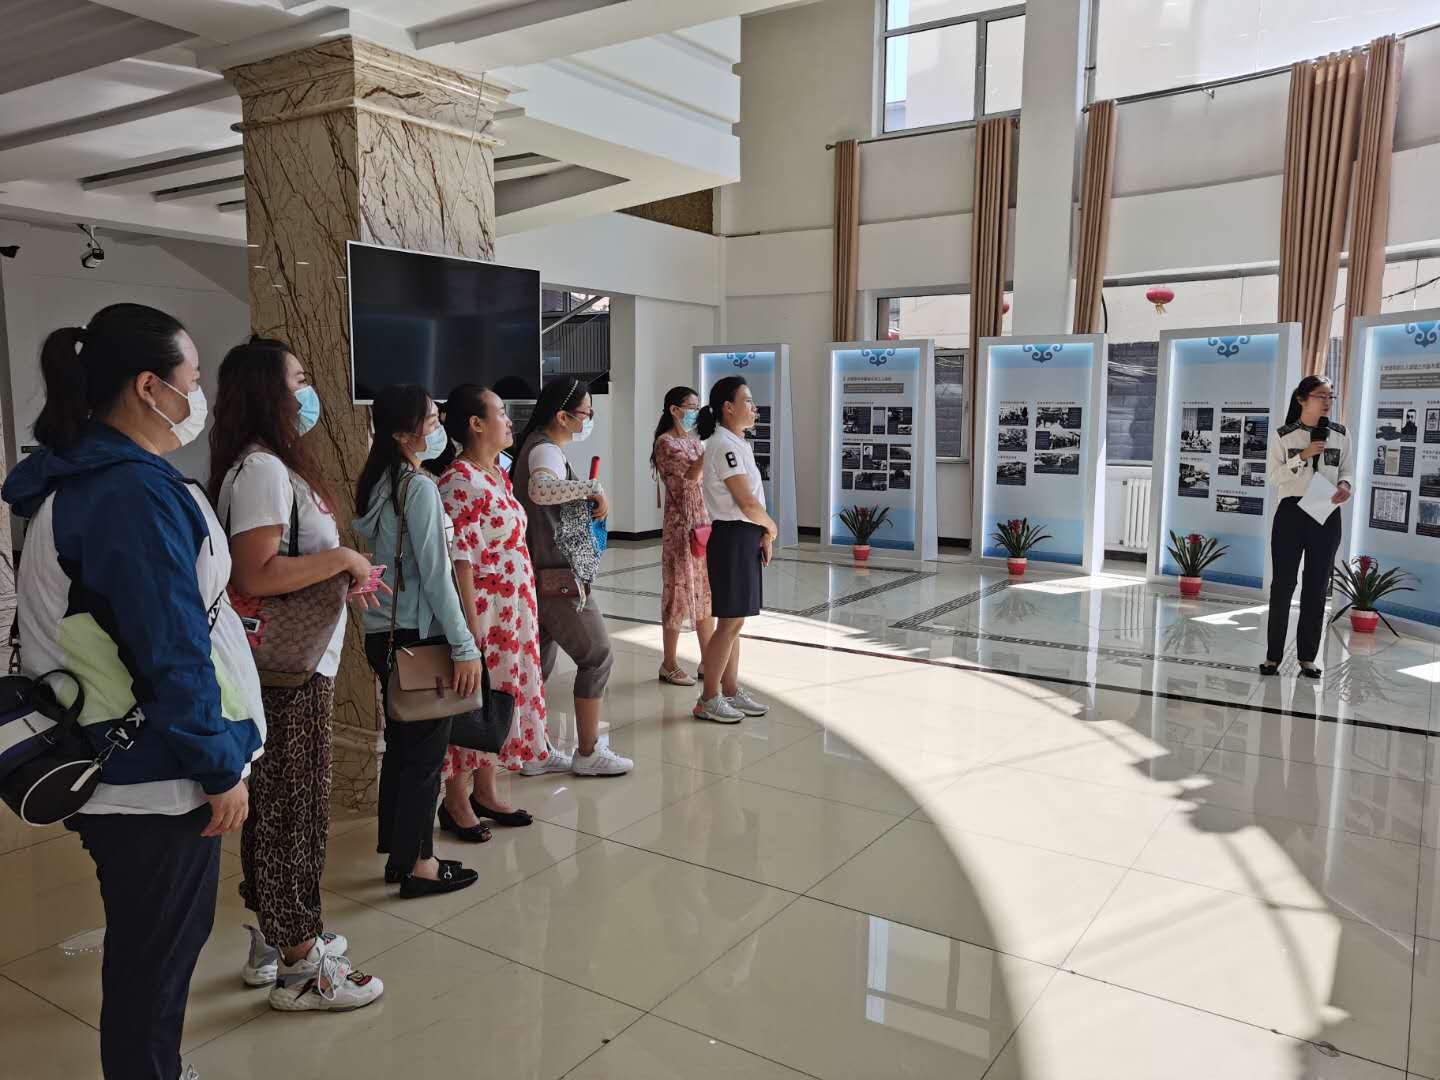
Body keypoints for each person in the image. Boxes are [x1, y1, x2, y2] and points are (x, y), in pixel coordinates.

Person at [2, 304, 264, 1080]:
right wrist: (218, 764)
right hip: (154, 774)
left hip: (140, 761)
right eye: (191, 379)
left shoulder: (103, 479)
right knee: (155, 963)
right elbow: (170, 651)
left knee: (153, 952)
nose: (197, 395)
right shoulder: (127, 494)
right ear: (150, 387)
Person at [209, 336, 384, 1011]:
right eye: (298, 379)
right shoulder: (261, 469)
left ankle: (276, 936)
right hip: (287, 671)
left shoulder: (268, 465)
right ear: (267, 391)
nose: (308, 391)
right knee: (292, 811)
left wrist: (344, 576)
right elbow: (256, 572)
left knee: (282, 807)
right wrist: (342, 559)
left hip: (299, 662)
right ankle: (301, 966)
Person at [354, 385, 486, 895]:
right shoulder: (418, 488)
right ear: (402, 433)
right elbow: (437, 577)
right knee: (424, 758)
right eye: (430, 421)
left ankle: (400, 854)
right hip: (421, 639)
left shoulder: (377, 485)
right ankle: (419, 866)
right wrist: (465, 646)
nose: (438, 428)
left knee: (403, 749)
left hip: (383, 635)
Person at [427, 384, 539, 833]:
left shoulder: (495, 472)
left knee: (499, 697)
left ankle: (487, 790)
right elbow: (461, 558)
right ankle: (456, 800)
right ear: (476, 423)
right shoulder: (458, 480)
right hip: (486, 611)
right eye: (500, 413)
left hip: (512, 607)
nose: (509, 420)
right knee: (473, 699)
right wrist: (470, 628)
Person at [510, 376, 633, 776]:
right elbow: (542, 489)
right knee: (597, 656)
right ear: (563, 416)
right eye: (586, 413)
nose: (589, 420)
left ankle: (532, 750)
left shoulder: (537, 447)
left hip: (538, 576)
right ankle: (589, 751)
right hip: (557, 578)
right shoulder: (545, 450)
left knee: (537, 667)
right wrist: (590, 488)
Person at [693, 376, 777, 723]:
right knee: (728, 622)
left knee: (735, 620)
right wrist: (771, 528)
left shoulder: (737, 443)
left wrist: (762, 532)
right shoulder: (722, 445)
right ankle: (708, 698)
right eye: (748, 401)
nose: (754, 408)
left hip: (744, 535)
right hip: (732, 537)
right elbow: (746, 502)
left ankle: (729, 690)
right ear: (728, 407)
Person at [1262, 374, 1354, 678]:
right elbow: (1274, 478)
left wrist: (1345, 485)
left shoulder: (1340, 434)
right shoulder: (1284, 435)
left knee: (1316, 586)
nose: (1327, 402)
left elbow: (1347, 470)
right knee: (1283, 584)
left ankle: (1307, 658)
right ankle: (1273, 656)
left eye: (1330, 397)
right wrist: (1302, 456)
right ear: (1302, 399)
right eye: (1320, 396)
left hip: (1326, 512)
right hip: (1291, 512)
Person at [651, 385, 714, 684]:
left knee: (704, 592)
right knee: (677, 592)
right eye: (690, 407)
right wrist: (710, 451)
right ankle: (669, 662)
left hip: (702, 523)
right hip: (680, 527)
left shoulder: (694, 442)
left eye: (697, 407)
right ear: (675, 410)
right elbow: (687, 481)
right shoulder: (665, 443)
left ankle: (709, 660)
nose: (695, 413)